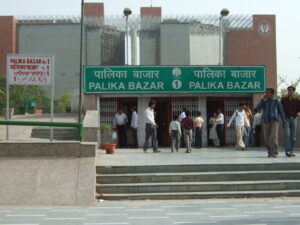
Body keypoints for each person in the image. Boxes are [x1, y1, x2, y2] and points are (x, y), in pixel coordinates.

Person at [255, 88, 287, 158]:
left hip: (274, 121)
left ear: (272, 94)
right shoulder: (264, 102)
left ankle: (275, 152)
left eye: (267, 93)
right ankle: (269, 151)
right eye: (265, 93)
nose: (266, 94)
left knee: (274, 136)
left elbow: (281, 111)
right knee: (266, 138)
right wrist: (262, 99)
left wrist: (284, 121)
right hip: (265, 121)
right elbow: (257, 108)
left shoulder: (277, 101)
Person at [281, 86, 300, 157]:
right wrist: (283, 121)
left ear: (294, 91)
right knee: (287, 135)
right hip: (286, 119)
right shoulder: (283, 100)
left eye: (291, 90)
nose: (289, 92)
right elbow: (281, 110)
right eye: (288, 90)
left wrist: (298, 112)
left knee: (293, 137)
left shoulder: (297, 100)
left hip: (294, 119)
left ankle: (291, 151)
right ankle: (287, 151)